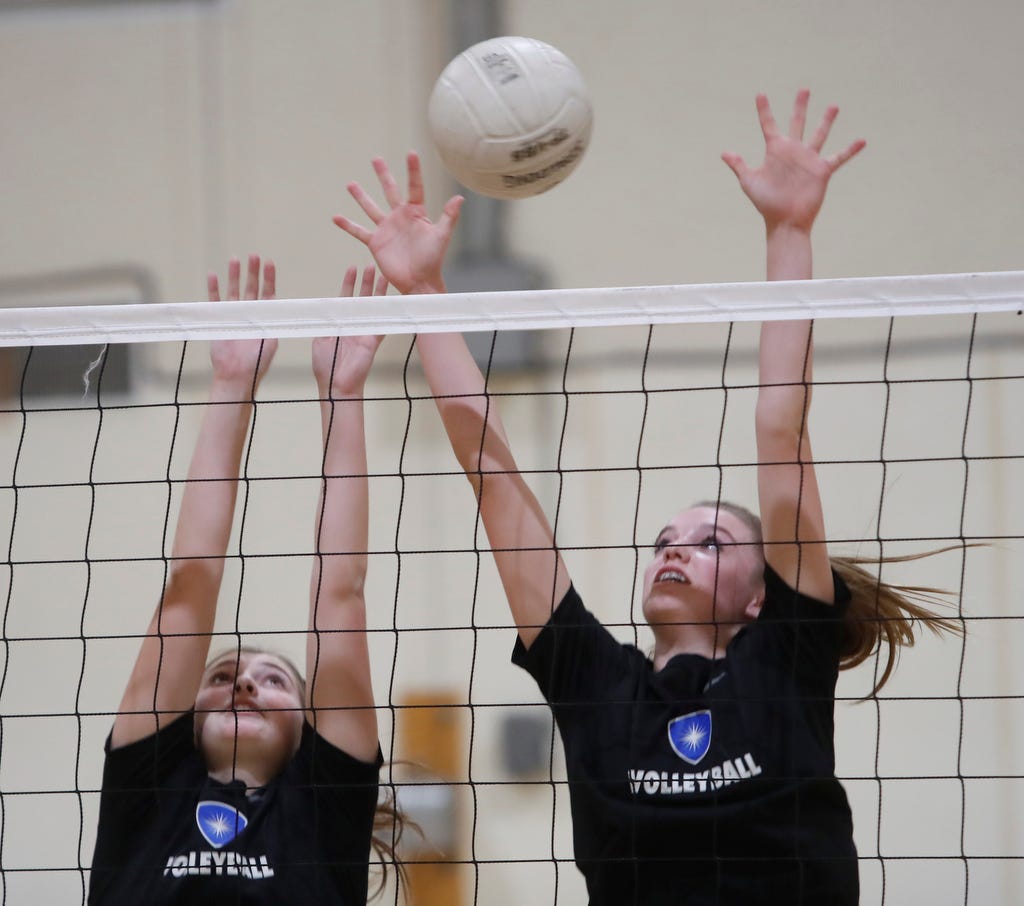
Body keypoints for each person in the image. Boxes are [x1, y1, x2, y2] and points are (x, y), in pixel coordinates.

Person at [334, 92, 961, 905]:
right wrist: (424, 291)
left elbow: (781, 428)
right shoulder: (597, 681)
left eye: (710, 543)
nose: (674, 549)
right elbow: (490, 470)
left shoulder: (785, 657)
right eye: (667, 538)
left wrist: (789, 232)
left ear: (762, 596)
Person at [88, 257, 399, 904]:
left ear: (307, 728)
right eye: (222, 677)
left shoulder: (324, 811)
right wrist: (231, 383)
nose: (246, 685)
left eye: (275, 681)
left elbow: (340, 597)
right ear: (185, 718)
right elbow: (188, 588)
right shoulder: (147, 791)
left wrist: (342, 393)